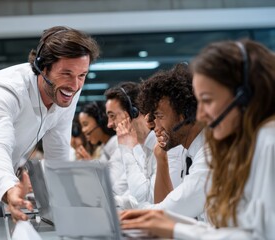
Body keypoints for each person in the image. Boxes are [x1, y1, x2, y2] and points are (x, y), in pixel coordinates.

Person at [121, 40, 275, 239]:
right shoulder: (244, 146)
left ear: (244, 95)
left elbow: (260, 236)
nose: (200, 114)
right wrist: (162, 223)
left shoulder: (268, 142)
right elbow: (228, 229)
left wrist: (173, 228)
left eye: (208, 100)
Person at [0, 26, 100, 221]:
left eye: (82, 75)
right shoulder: (4, 91)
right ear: (43, 67)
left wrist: (62, 201)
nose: (75, 86)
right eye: (66, 73)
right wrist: (9, 187)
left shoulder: (67, 91)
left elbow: (57, 149)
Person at [122, 63, 210, 220]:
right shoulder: (187, 152)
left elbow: (171, 212)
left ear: (184, 112)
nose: (155, 126)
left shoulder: (209, 155)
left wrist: (124, 208)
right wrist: (161, 159)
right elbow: (167, 205)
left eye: (159, 116)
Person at [105, 82, 183, 207]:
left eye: (112, 116)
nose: (109, 124)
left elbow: (147, 198)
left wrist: (127, 150)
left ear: (133, 113)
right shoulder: (141, 147)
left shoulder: (165, 146)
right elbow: (125, 192)